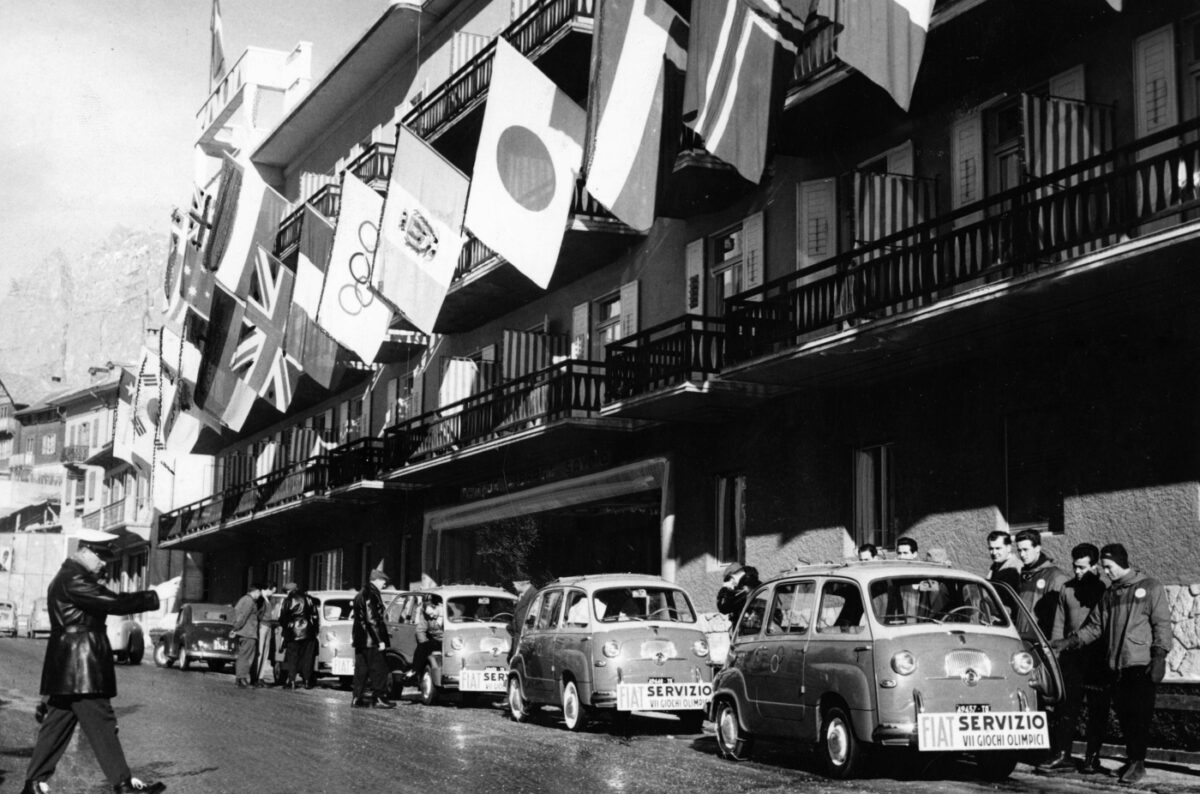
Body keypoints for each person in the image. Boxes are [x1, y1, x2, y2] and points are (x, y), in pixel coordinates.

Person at [22, 529, 167, 794]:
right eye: (100, 557)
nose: (103, 563)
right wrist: (155, 595)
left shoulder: (68, 576)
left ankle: (33, 783)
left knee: (57, 724)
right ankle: (123, 784)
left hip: (69, 667)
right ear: (85, 552)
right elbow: (114, 602)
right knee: (101, 721)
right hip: (81, 667)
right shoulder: (74, 578)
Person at [1052, 543, 1172, 785]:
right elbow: (1095, 627)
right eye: (1104, 567)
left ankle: (1138, 763)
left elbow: (1162, 624)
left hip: (1140, 663)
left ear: (1122, 562)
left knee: (1139, 715)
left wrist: (1159, 655)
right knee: (1126, 716)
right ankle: (1132, 761)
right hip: (1116, 664)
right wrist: (1070, 642)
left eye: (1109, 567)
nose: (1106, 572)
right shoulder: (1110, 594)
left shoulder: (1150, 587)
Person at [1044, 543, 1108, 774]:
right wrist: (1056, 653)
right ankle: (1063, 755)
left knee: (1097, 709)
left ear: (1095, 566)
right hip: (1071, 657)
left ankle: (1092, 758)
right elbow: (1059, 625)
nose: (1078, 571)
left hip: (1097, 658)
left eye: (1083, 567)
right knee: (1066, 707)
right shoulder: (1067, 589)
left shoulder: (1104, 589)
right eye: (1075, 567)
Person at [351, 567, 395, 708]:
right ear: (376, 580)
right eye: (383, 581)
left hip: (361, 640)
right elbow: (372, 620)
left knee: (361, 671)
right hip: (371, 640)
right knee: (379, 669)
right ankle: (379, 698)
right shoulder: (371, 595)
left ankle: (357, 698)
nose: (384, 584)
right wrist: (379, 640)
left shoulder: (360, 594)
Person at [1014, 529, 1069, 639]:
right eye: (1019, 550)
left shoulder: (1054, 576)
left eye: (1025, 550)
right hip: (1023, 638)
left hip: (1040, 640)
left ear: (1038, 548)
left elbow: (1058, 618)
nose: (1022, 554)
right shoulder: (1025, 574)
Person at [278, 582, 320, 690]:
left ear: (289, 591)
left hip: (293, 631)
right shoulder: (309, 598)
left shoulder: (288, 600)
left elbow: (283, 617)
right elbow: (315, 616)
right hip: (308, 631)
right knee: (308, 657)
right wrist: (315, 630)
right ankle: (307, 681)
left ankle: (292, 681)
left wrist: (286, 626)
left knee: (292, 657)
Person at [406, 596, 445, 691]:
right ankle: (415, 671)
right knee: (423, 647)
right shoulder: (427, 613)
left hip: (450, 640)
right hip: (437, 640)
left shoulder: (448, 612)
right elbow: (420, 629)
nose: (431, 611)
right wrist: (424, 642)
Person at [230, 583, 263, 689]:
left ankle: (239, 678)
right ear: (256, 591)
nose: (259, 595)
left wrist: (236, 629)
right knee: (247, 657)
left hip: (244, 632)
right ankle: (242, 679)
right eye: (259, 593)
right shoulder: (249, 601)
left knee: (242, 655)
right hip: (248, 632)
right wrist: (236, 628)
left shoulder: (244, 599)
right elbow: (243, 616)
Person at [253, 582, 277, 686]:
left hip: (268, 626)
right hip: (262, 625)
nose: (272, 593)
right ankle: (256, 676)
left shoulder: (268, 599)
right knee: (260, 651)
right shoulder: (260, 598)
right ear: (268, 589)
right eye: (272, 591)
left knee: (265, 652)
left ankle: (261, 676)